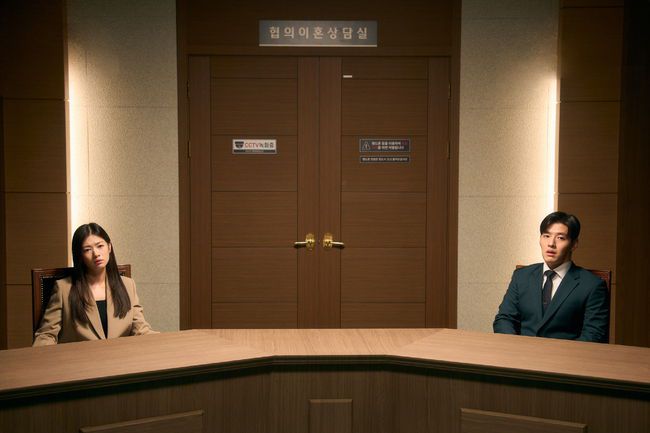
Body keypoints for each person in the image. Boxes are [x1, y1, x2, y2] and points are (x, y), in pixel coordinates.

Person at [493, 211, 609, 343]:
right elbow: (504, 319)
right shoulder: (522, 276)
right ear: (540, 239)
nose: (551, 244)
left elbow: (593, 334)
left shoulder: (592, 285)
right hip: (521, 352)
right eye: (546, 236)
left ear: (574, 244)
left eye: (560, 238)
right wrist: (515, 347)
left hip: (565, 355)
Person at [33, 223, 156, 346]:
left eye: (100, 246)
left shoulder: (128, 285)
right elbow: (46, 335)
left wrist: (164, 343)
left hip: (120, 356)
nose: (96, 253)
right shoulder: (63, 288)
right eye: (87, 249)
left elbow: (141, 330)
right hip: (79, 357)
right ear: (80, 255)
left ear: (109, 247)